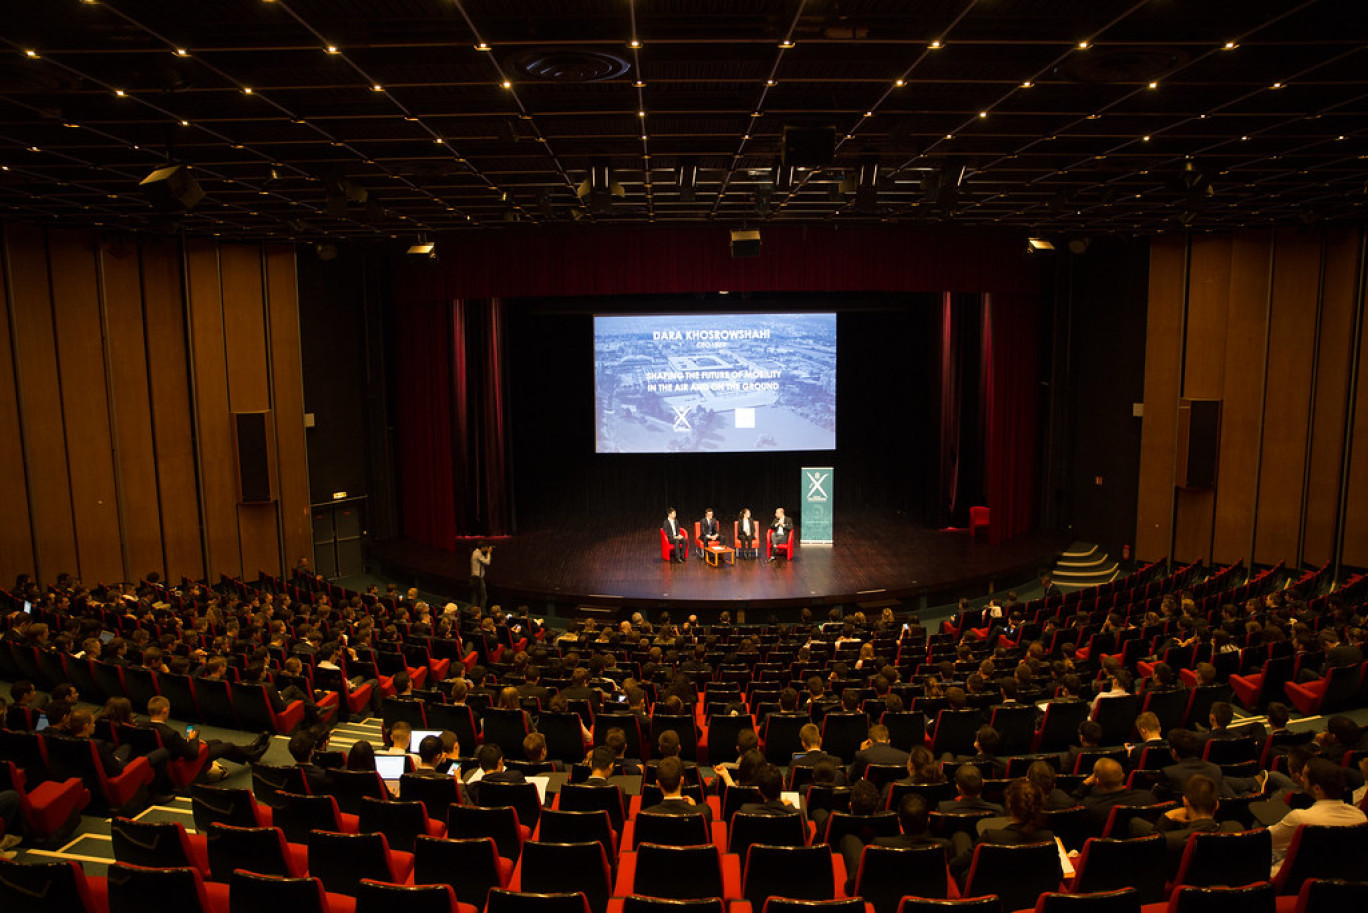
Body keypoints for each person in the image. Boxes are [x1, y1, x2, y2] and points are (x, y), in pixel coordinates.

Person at [1268, 758, 1367, 873]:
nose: (1301, 779)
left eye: (1305, 777)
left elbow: (1266, 839)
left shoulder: (1300, 818)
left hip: (1298, 879)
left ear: (1317, 788)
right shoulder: (1360, 817)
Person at [1130, 774, 1235, 878]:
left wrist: (1168, 816)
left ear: (1185, 801)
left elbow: (1152, 846)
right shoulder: (1235, 828)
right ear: (1217, 804)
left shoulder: (1172, 840)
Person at [1072, 757, 1158, 835]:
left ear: (1097, 781)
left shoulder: (1091, 805)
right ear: (1123, 776)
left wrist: (1085, 784)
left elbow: (1071, 808)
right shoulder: (1148, 797)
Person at [640, 755, 711, 818]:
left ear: (658, 784)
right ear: (682, 780)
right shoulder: (703, 813)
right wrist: (693, 808)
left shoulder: (645, 815)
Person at [470, 542, 493, 610]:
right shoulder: (477, 554)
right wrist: (489, 553)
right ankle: (482, 612)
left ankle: (474, 612)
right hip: (478, 578)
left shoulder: (476, 553)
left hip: (473, 577)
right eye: (485, 548)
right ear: (482, 547)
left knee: (475, 597)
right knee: (483, 597)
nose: (486, 549)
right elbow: (487, 562)